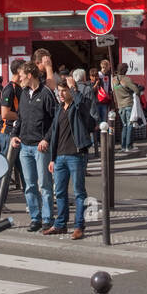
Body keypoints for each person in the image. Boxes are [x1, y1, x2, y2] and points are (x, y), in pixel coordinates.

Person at [44, 81, 98, 238]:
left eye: (64, 91)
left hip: (76, 154)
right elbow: (54, 132)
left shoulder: (78, 107)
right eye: (59, 91)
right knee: (60, 192)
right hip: (60, 156)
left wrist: (74, 89)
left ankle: (79, 226)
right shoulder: (59, 108)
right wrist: (52, 158)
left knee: (79, 192)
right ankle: (60, 224)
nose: (61, 94)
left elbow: (84, 107)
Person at [16, 62, 57, 232]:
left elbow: (55, 120)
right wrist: (14, 135)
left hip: (41, 146)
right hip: (25, 145)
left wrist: (46, 139)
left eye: (21, 75)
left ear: (30, 75)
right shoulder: (24, 94)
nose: (20, 78)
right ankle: (35, 217)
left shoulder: (46, 93)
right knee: (29, 185)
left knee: (45, 184)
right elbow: (20, 117)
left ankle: (47, 218)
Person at [0, 59, 25, 211]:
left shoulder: (19, 88)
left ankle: (33, 201)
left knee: (25, 170)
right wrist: (23, 116)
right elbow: (5, 113)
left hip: (16, 134)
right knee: (5, 170)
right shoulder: (10, 89)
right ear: (19, 71)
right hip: (9, 134)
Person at [111, 63, 140, 153]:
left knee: (124, 126)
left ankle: (123, 146)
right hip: (128, 104)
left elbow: (113, 92)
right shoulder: (126, 79)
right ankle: (129, 146)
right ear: (125, 70)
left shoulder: (114, 80)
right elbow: (136, 90)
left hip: (120, 106)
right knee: (130, 125)